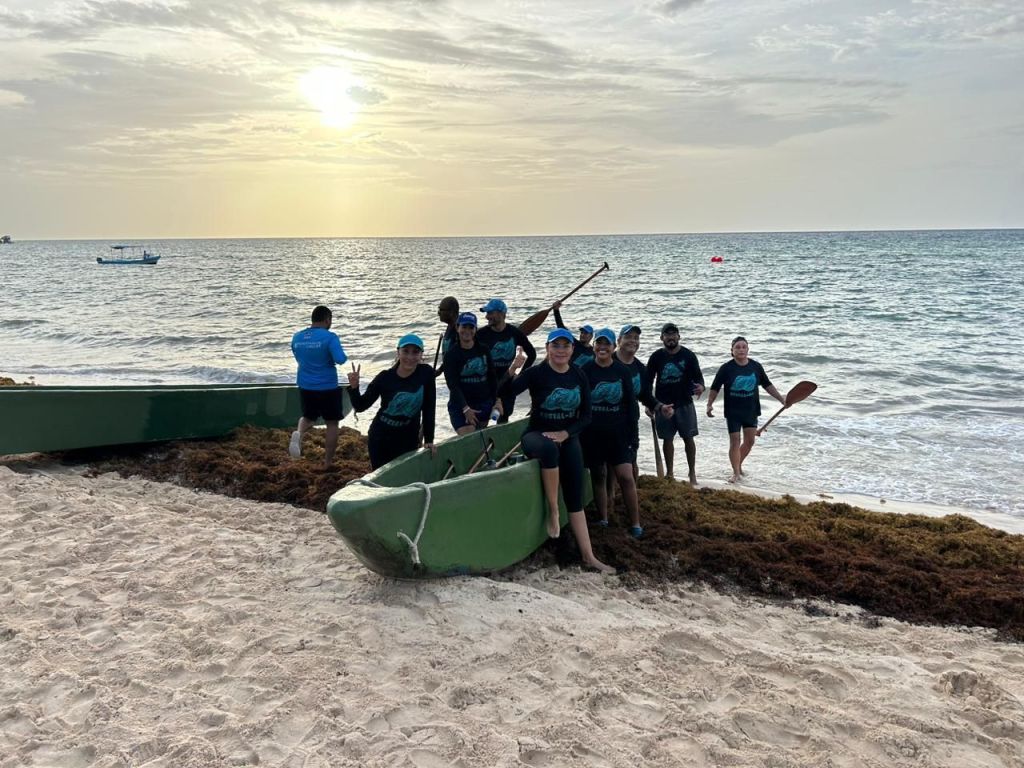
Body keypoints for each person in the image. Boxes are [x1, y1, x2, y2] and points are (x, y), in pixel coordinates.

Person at [500, 328, 614, 573]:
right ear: (547, 348)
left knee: (575, 495)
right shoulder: (536, 373)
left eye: (565, 346)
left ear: (572, 350)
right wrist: (512, 370)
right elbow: (504, 393)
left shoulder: (579, 375)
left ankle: (589, 556)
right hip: (536, 435)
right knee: (550, 449)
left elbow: (586, 416)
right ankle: (553, 510)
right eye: (556, 345)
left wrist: (566, 433)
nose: (560, 350)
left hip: (567, 436)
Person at [579, 328, 645, 537]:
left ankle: (635, 523)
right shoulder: (585, 370)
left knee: (626, 477)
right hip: (593, 435)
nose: (602, 347)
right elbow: (579, 404)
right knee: (599, 476)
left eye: (607, 344)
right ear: (594, 346)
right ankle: (603, 519)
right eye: (599, 343)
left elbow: (631, 406)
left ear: (613, 347)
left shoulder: (622, 371)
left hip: (619, 434)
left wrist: (634, 438)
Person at [346, 334, 437, 470]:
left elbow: (429, 407)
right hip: (381, 438)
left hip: (408, 439)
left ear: (421, 355)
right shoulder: (385, 378)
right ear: (398, 352)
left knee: (405, 477)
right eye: (406, 351)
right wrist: (354, 388)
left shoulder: (426, 373)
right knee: (382, 479)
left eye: (415, 352)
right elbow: (360, 406)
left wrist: (429, 440)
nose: (410, 357)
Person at [706, 336, 785, 483]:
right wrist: (709, 404)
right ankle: (736, 473)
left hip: (751, 410)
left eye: (744, 347)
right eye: (737, 347)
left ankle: (738, 464)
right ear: (732, 350)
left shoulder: (756, 366)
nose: (741, 349)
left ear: (748, 349)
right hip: (733, 412)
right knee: (735, 442)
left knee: (750, 441)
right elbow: (715, 387)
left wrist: (781, 399)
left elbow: (767, 385)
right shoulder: (726, 368)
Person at [611, 323, 673, 487]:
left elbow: (645, 396)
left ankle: (631, 493)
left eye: (636, 338)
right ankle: (610, 496)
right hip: (605, 421)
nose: (633, 341)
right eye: (628, 337)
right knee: (607, 468)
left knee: (631, 461)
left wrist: (660, 407)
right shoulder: (607, 362)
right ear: (619, 340)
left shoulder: (640, 368)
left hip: (629, 421)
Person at [289, 305, 348, 467]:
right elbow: (340, 359)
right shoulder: (330, 337)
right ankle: (327, 462)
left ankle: (299, 433)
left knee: (308, 417)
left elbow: (297, 356)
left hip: (305, 385)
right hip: (327, 386)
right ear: (327, 319)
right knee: (332, 424)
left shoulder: (297, 337)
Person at [646, 322, 705, 484]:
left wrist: (701, 387)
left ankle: (692, 473)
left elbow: (699, 378)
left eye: (673, 334)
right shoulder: (656, 357)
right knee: (667, 439)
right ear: (662, 338)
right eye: (667, 334)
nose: (670, 337)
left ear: (679, 337)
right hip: (663, 405)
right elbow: (648, 382)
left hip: (685, 403)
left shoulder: (688, 355)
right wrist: (649, 404)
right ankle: (670, 473)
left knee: (688, 438)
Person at [476, 298, 536, 423]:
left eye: (490, 313)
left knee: (502, 419)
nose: (487, 317)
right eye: (486, 313)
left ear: (501, 314)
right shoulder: (481, 334)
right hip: (487, 384)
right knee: (482, 420)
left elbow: (532, 354)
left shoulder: (513, 332)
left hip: (508, 384)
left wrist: (520, 374)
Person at [442, 311, 500, 434]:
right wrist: (465, 408)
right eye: (464, 327)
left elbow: (492, 377)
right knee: (469, 434)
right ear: (457, 328)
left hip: (483, 403)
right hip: (460, 405)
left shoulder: (484, 349)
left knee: (481, 436)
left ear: (475, 329)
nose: (467, 331)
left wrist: (497, 399)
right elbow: (453, 385)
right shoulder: (451, 355)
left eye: (471, 327)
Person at [552, 300, 594, 366]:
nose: (582, 335)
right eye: (582, 333)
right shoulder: (574, 344)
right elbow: (561, 327)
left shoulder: (593, 351)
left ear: (591, 336)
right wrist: (556, 310)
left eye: (586, 333)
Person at [434, 296, 460, 375]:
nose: (438, 313)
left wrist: (440, 370)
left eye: (441, 310)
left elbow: (456, 356)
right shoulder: (450, 325)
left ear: (451, 312)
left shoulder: (459, 330)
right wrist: (440, 370)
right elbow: (449, 355)